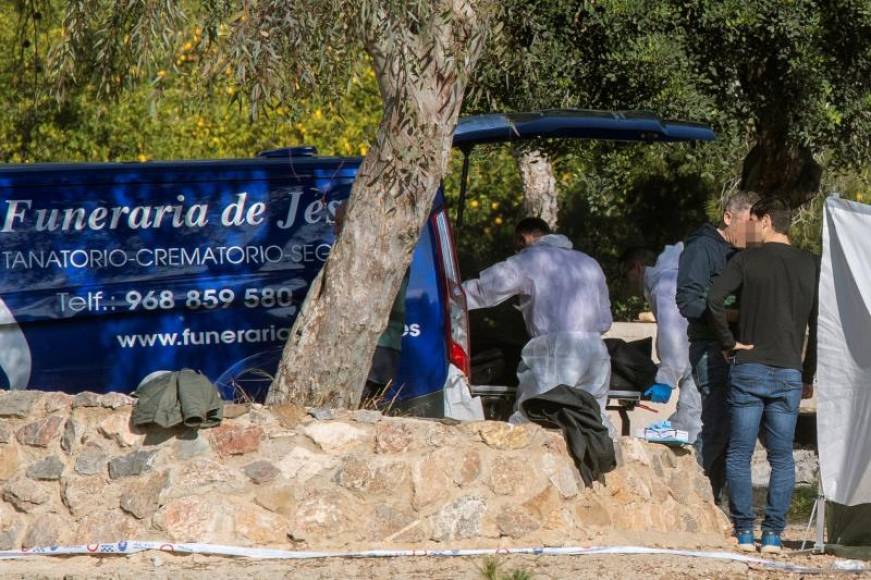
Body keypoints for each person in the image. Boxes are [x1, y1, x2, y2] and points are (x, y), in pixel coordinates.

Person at [707, 197, 818, 554]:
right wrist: (808, 373)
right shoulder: (811, 265)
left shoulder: (746, 259)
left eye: (754, 221)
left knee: (739, 454)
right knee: (781, 456)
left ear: (767, 221)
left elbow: (713, 299)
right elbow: (818, 326)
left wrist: (729, 343)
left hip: (750, 365)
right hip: (789, 369)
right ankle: (772, 535)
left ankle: (743, 532)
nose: (750, 229)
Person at [462, 217, 613, 430]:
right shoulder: (589, 263)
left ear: (522, 239)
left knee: (533, 421)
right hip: (596, 352)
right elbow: (605, 320)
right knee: (591, 423)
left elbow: (484, 290)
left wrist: (445, 297)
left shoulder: (529, 260)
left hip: (555, 352)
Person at [676, 190, 759, 501]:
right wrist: (730, 315)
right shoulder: (701, 249)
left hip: (741, 350)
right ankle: (695, 496)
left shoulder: (747, 252)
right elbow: (687, 301)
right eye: (746, 223)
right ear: (728, 217)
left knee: (734, 431)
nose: (752, 232)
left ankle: (716, 498)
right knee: (717, 425)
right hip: (711, 347)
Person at [623, 244, 702, 443]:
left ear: (637, 267)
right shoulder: (677, 277)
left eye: (627, 275)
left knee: (696, 433)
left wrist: (665, 379)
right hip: (700, 358)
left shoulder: (665, 286)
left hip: (700, 360)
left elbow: (674, 338)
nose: (628, 282)